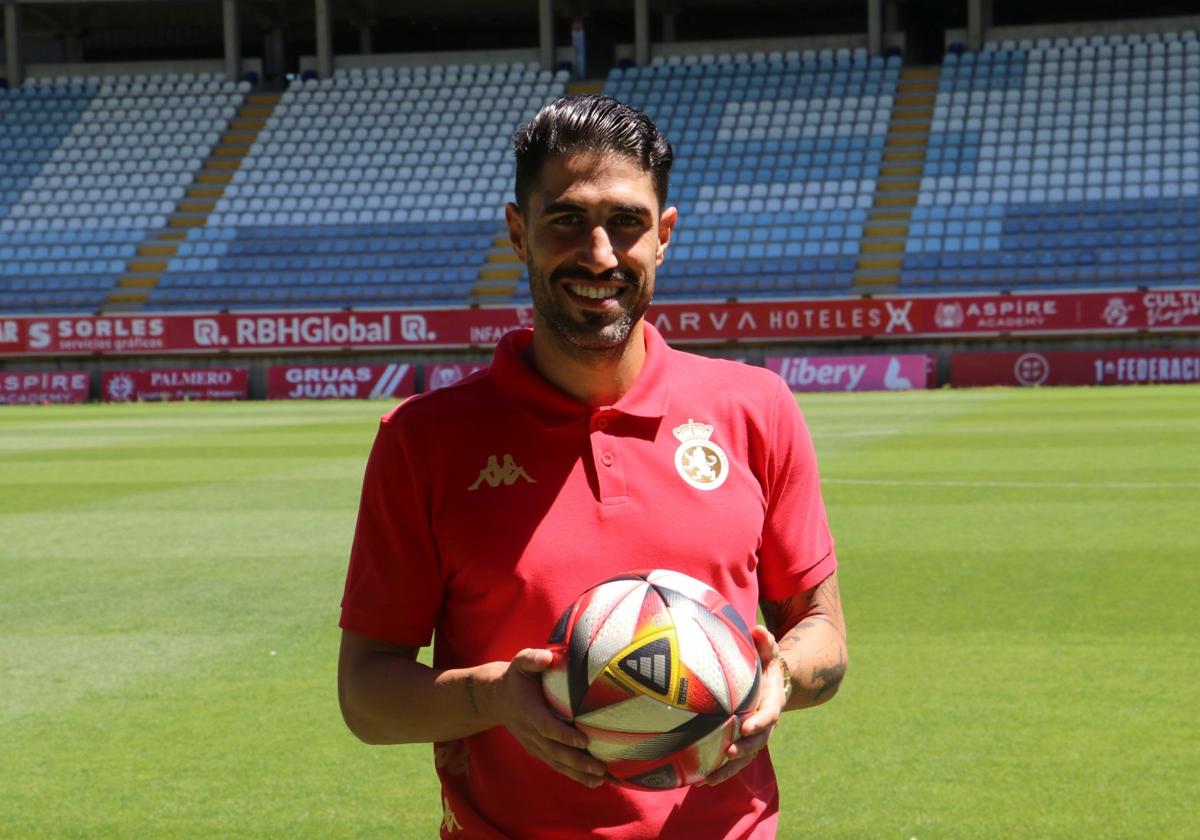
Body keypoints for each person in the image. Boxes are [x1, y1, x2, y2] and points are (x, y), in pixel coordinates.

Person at [337, 94, 847, 839]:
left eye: (627, 223)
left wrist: (778, 677)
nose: (600, 255)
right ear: (519, 232)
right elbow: (367, 696)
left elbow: (823, 633)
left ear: (664, 236)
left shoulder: (756, 408)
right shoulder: (424, 440)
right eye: (568, 220)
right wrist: (492, 696)